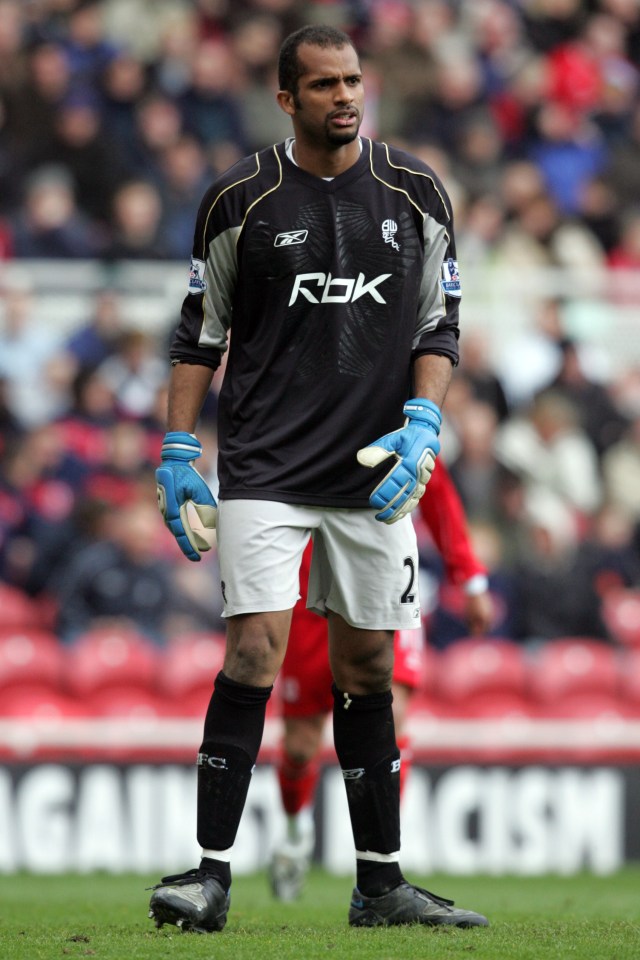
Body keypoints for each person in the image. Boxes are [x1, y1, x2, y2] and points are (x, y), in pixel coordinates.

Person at [149, 24, 489, 934]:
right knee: (255, 647)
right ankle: (209, 875)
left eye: (352, 80)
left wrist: (425, 420)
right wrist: (179, 450)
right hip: (263, 464)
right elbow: (199, 335)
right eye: (324, 84)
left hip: (373, 471)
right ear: (284, 96)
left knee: (369, 664)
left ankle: (380, 884)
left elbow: (438, 329)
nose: (345, 96)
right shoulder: (238, 199)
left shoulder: (415, 191)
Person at [270, 458, 493, 900]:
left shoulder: (391, 412)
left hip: (384, 578)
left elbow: (439, 492)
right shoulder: (298, 413)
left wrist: (468, 577)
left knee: (390, 719)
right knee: (299, 746)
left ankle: (382, 857)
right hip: (307, 595)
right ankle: (295, 832)